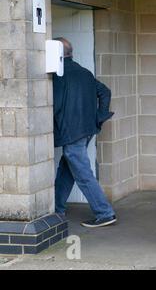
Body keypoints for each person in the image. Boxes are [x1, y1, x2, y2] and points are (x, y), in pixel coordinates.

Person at [53, 37, 117, 228]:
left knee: (82, 173)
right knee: (67, 169)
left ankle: (105, 213)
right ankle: (57, 208)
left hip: (72, 132)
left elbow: (53, 105)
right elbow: (105, 91)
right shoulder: (84, 72)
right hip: (87, 129)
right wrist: (100, 115)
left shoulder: (58, 75)